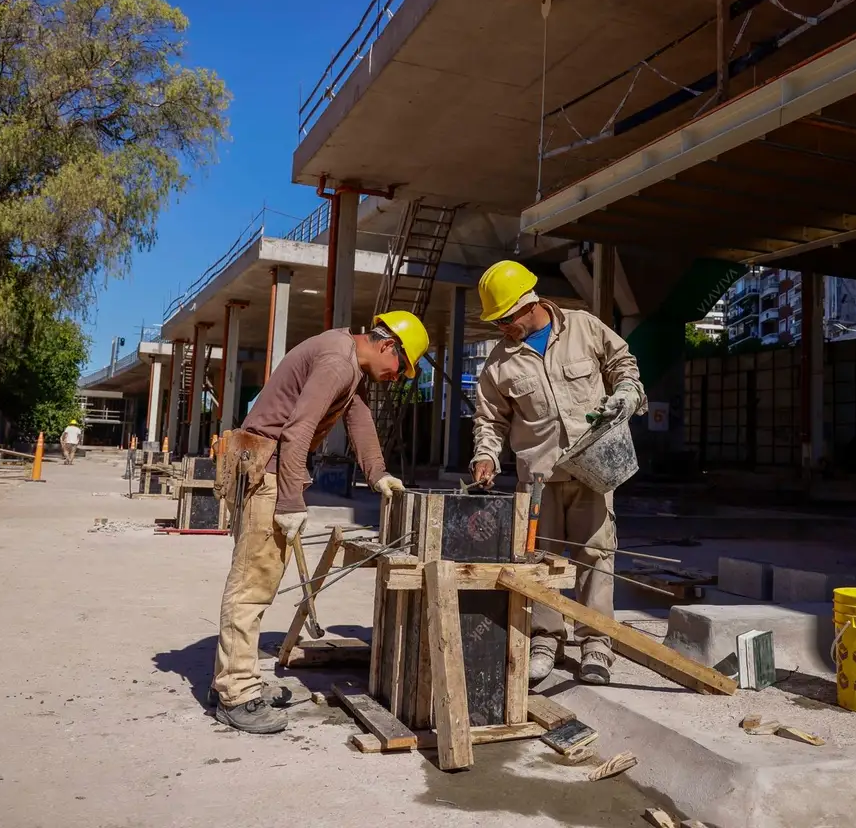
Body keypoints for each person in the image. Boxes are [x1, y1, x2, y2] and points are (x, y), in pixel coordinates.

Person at [211, 311, 428, 734]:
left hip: (266, 464)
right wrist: (291, 499)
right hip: (267, 469)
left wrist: (377, 471)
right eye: (401, 368)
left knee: (258, 581)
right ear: (388, 346)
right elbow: (297, 430)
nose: (397, 376)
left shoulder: (345, 356)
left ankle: (234, 680)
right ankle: (235, 693)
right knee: (252, 583)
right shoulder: (337, 362)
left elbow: (357, 416)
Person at [470, 260, 645, 686]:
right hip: (538, 480)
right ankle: (545, 640)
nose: (502, 328)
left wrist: (625, 392)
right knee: (540, 562)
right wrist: (486, 455)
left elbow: (625, 366)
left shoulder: (584, 328)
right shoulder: (498, 363)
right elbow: (489, 420)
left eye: (505, 319)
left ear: (528, 304)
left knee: (596, 555)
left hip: (593, 469)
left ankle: (596, 644)